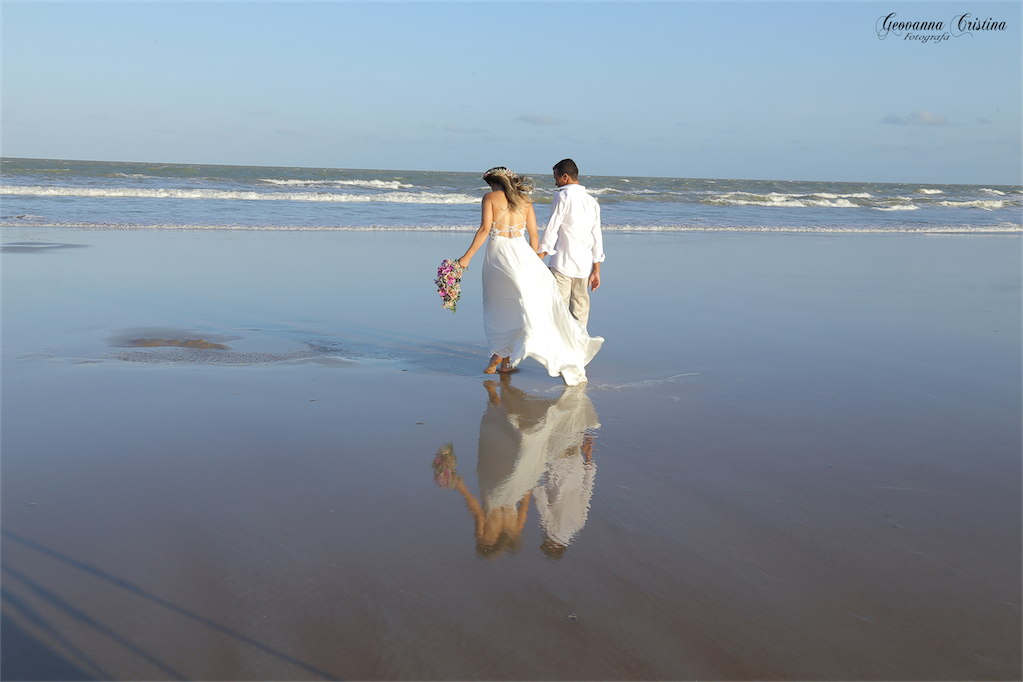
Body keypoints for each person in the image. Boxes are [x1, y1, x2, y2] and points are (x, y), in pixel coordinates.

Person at [457, 167, 602, 386]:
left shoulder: (489, 198)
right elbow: (534, 235)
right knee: (521, 305)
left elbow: (485, 229)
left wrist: (466, 258)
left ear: (493, 183)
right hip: (523, 255)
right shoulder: (525, 201)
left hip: (498, 255)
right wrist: (535, 263)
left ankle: (499, 354)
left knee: (497, 306)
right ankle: (506, 360)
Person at [537, 159, 604, 330]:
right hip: (583, 266)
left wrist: (539, 256)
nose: (555, 182)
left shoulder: (562, 197)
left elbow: (552, 229)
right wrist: (596, 270)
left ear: (565, 177)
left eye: (556, 178)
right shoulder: (592, 202)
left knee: (558, 311)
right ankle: (579, 345)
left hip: (562, 263)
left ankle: (560, 345)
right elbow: (597, 236)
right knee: (580, 313)